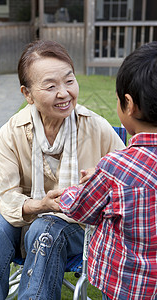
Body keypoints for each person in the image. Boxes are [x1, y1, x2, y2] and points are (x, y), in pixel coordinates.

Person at [0, 40, 124, 300]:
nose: (64, 93)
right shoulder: (11, 132)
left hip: (79, 227)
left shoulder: (96, 127)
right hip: (25, 218)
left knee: (45, 229)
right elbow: (7, 196)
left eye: (69, 81)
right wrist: (40, 205)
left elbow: (128, 179)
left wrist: (102, 179)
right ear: (28, 93)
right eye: (51, 86)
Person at [59, 41, 157, 300]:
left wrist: (72, 190)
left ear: (129, 104)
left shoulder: (116, 167)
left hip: (129, 284)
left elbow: (81, 208)